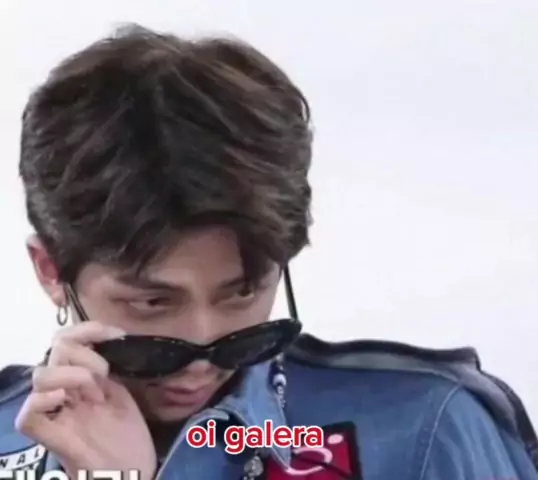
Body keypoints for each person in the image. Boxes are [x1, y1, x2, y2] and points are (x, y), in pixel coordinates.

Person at [0, 23, 536, 480]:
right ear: (51, 271)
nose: (203, 346)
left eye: (242, 293)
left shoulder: (424, 429)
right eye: (153, 303)